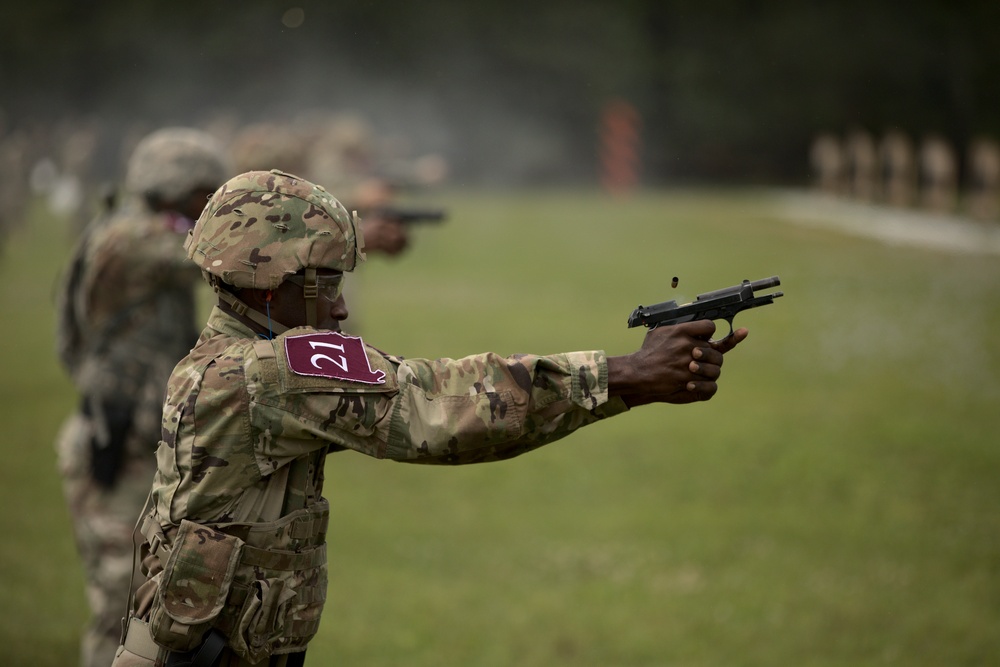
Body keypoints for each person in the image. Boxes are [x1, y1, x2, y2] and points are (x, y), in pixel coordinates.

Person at [111, 170, 748, 667]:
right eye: (325, 283)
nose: (337, 308)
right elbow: (434, 404)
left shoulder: (233, 358)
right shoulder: (263, 374)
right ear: (270, 283)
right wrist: (623, 374)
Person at [53, 127, 230, 667]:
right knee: (121, 608)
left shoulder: (137, 227)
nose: (213, 202)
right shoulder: (132, 237)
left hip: (140, 441)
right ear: (174, 187)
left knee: (155, 609)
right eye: (206, 191)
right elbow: (222, 255)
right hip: (117, 444)